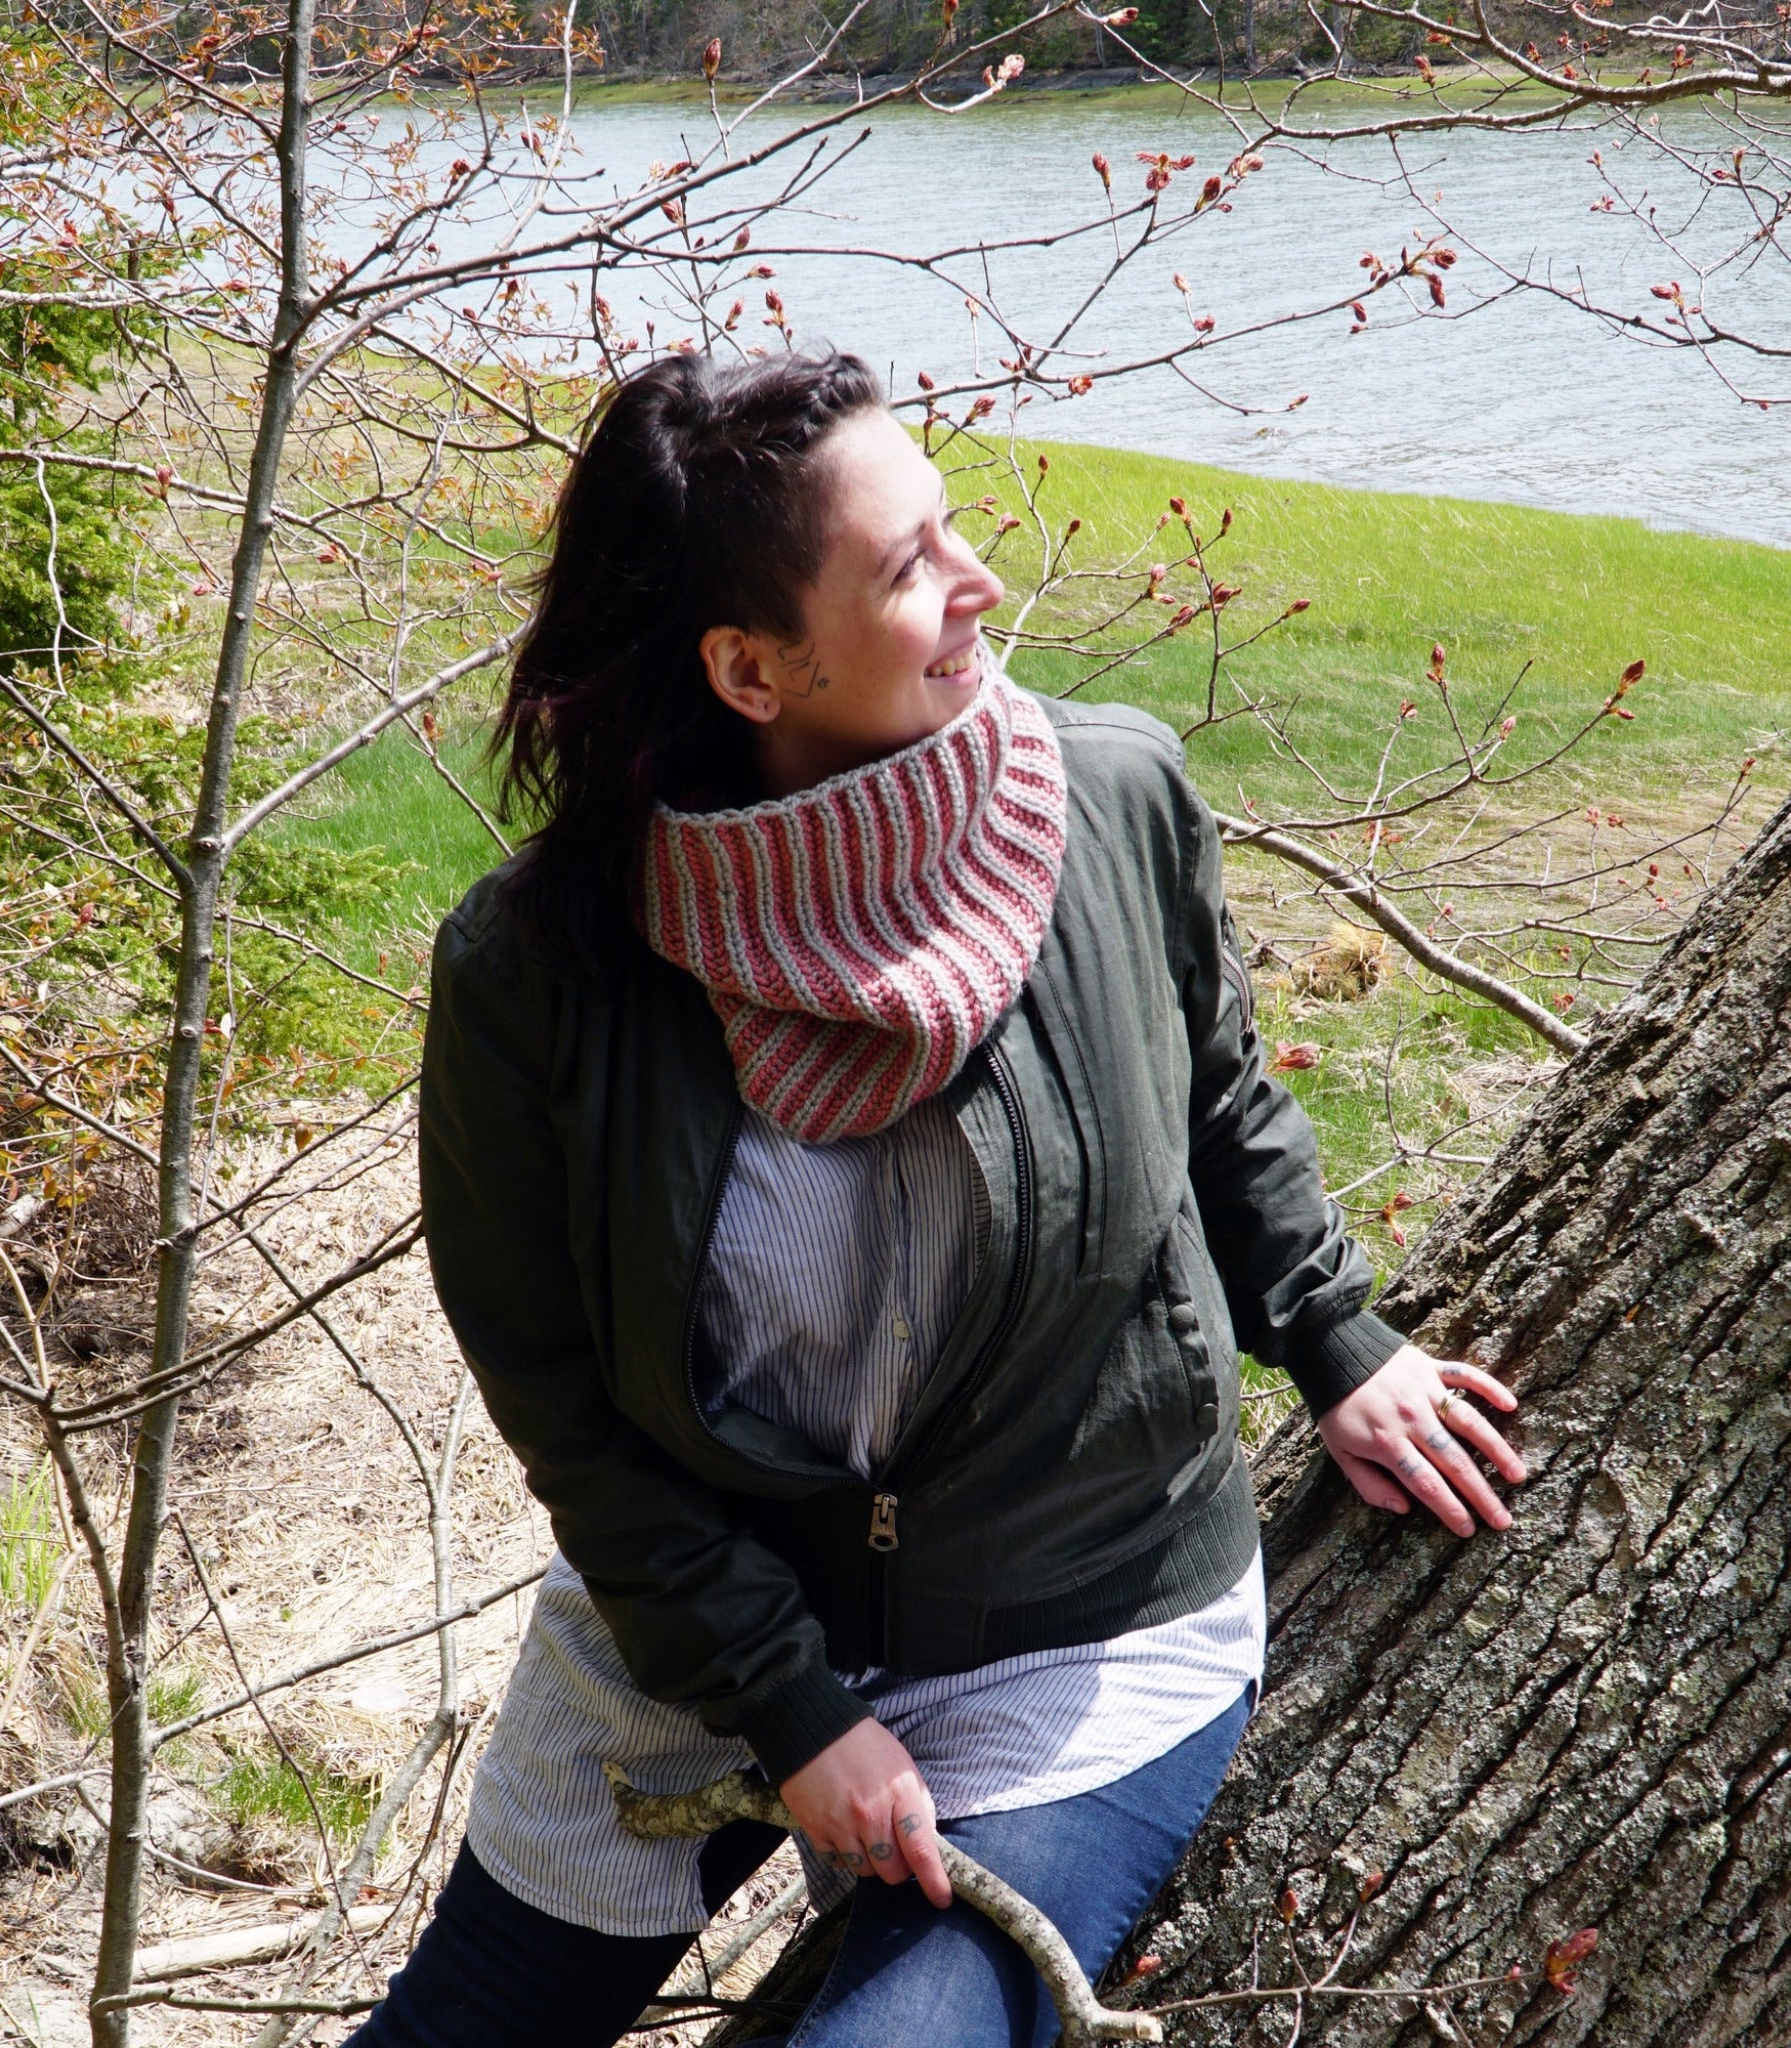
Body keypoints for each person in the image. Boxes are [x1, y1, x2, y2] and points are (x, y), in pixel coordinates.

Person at [347, 349, 1525, 2048]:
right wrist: (789, 1704)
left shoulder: (1114, 800)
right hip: (704, 1609)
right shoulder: (539, 972)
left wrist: (1339, 1336)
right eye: (907, 567)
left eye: (949, 525)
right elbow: (562, 1406)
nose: (981, 583)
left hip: (1079, 1624)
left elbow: (1210, 1091)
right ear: (751, 668)